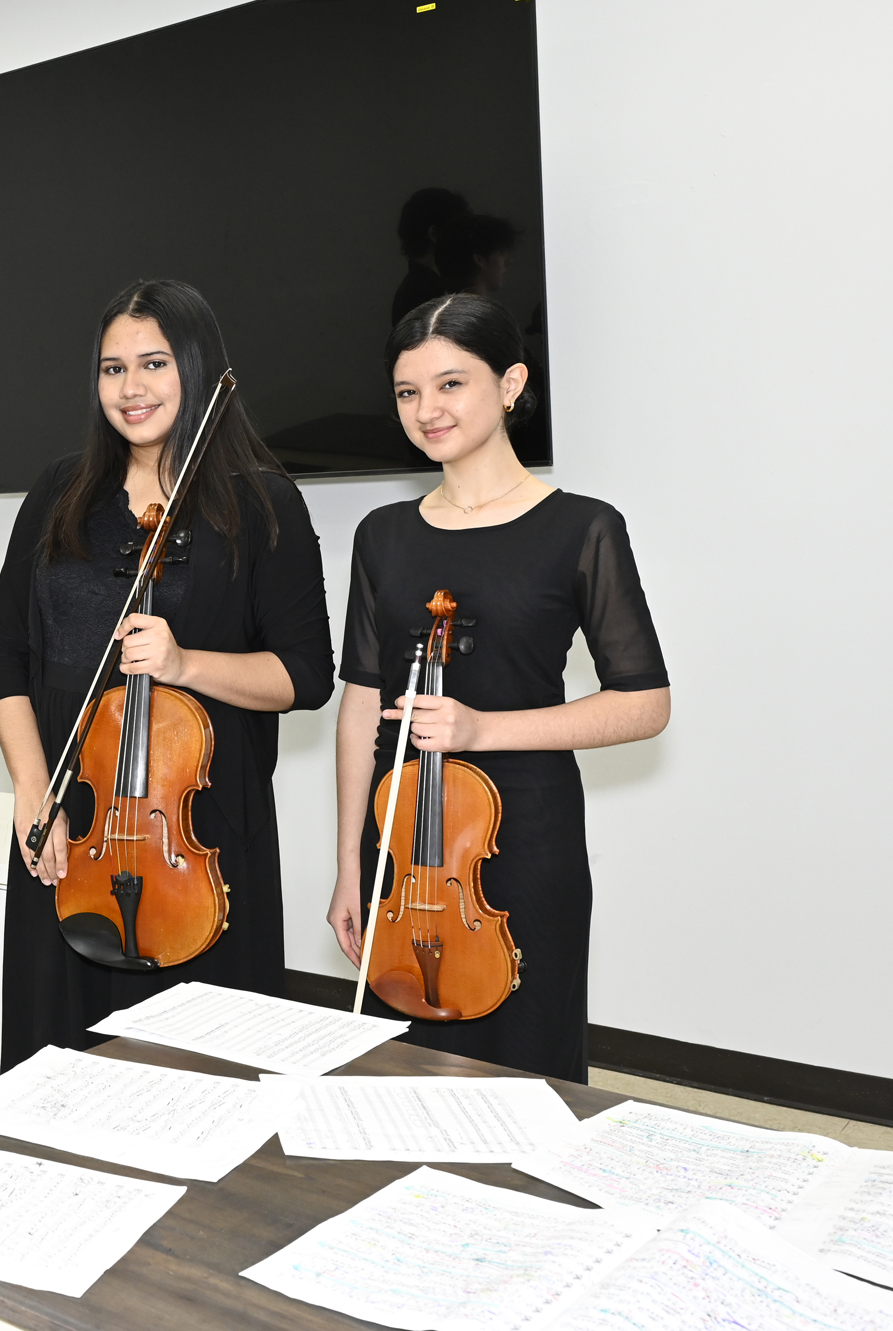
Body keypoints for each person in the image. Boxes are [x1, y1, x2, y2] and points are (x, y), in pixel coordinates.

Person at [0, 279, 335, 1070]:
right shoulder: (59, 490)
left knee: (202, 1075)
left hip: (197, 832)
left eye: (154, 363)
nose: (130, 388)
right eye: (113, 368)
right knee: (59, 1069)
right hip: (72, 820)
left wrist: (185, 663)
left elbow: (306, 674)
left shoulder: (264, 502)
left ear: (198, 367)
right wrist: (33, 790)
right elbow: (4, 654)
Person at [326, 293, 670, 1083]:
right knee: (395, 1072)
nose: (427, 409)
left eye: (451, 383)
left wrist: (484, 729)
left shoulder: (583, 527)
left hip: (526, 837)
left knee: (527, 1069)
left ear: (510, 384)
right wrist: (350, 863)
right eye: (408, 391)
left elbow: (645, 703)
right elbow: (362, 704)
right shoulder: (382, 534)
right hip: (402, 846)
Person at [390, 187, 470, 324]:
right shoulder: (428, 294)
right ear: (434, 233)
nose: (464, 241)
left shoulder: (419, 287)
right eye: (458, 232)